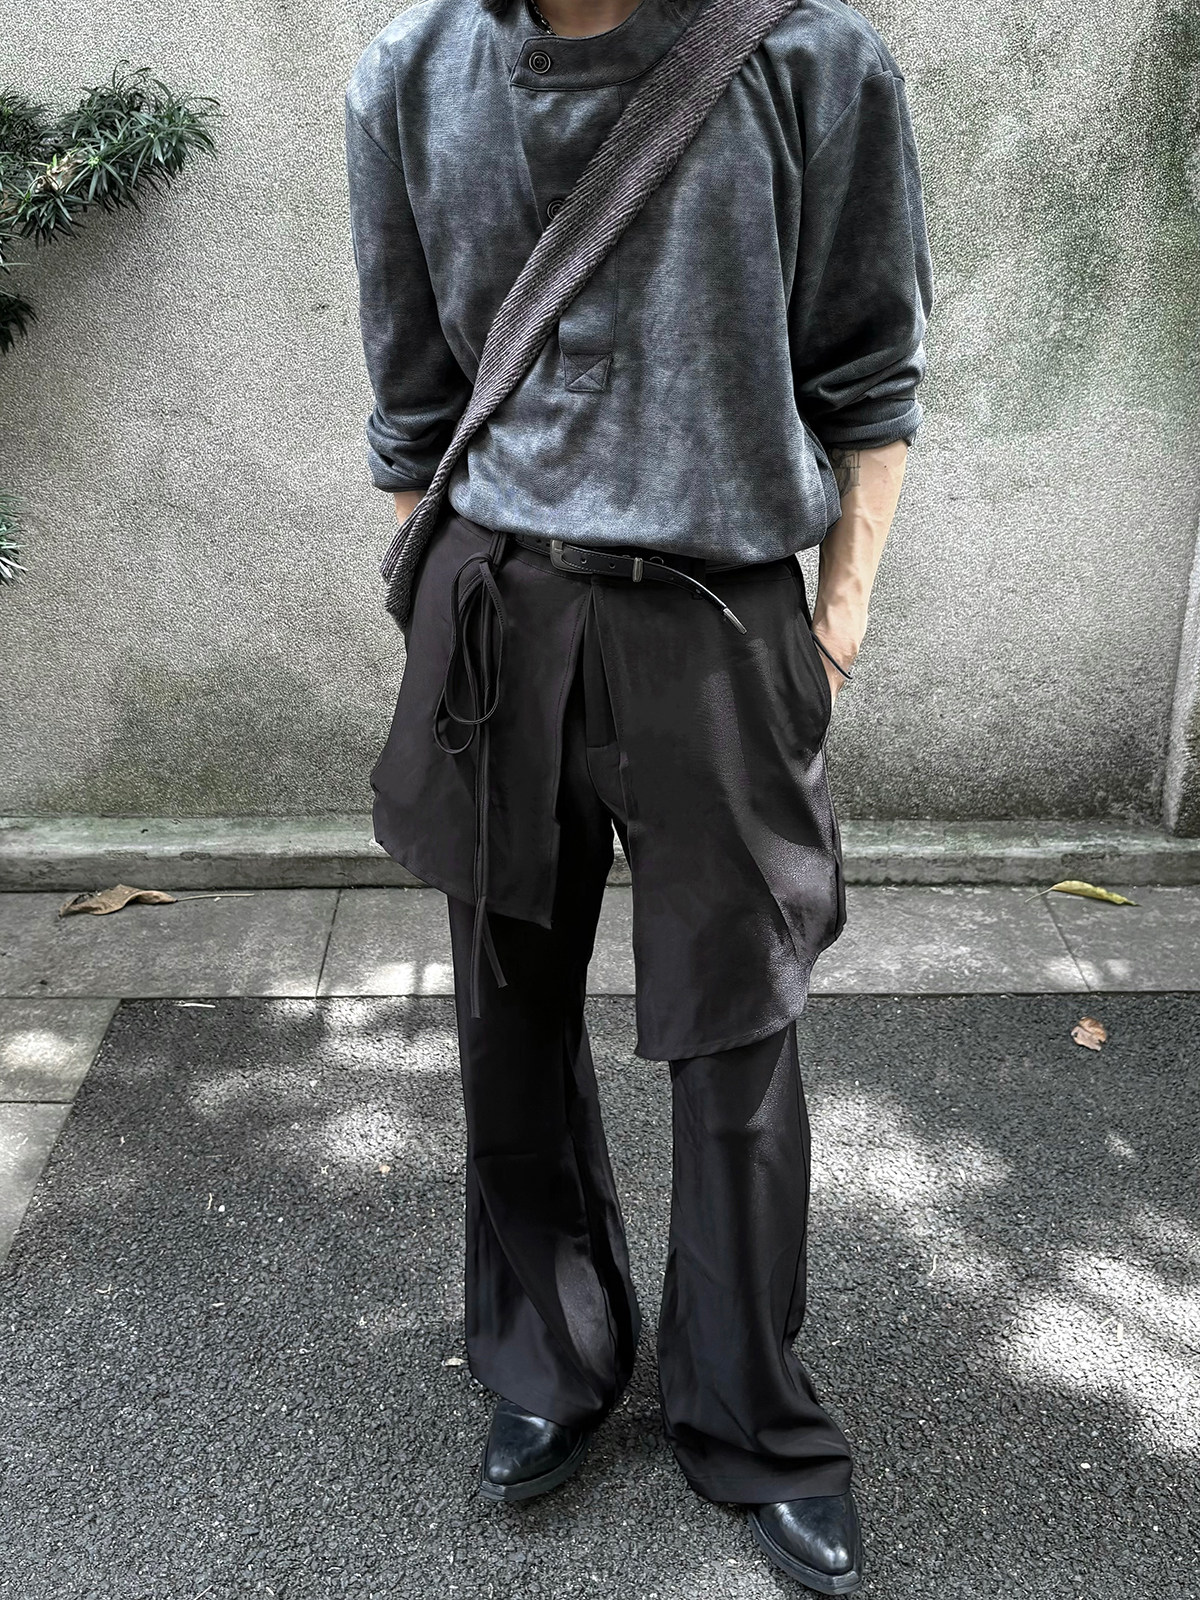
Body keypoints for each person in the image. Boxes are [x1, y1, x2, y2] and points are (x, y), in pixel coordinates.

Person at [344, 0, 933, 1588]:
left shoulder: (811, 62)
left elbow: (871, 366)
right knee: (506, 1013)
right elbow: (412, 398)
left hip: (718, 614)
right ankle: (547, 1360)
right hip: (498, 610)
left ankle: (747, 1412)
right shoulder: (409, 73)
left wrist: (836, 619)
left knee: (738, 1025)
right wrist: (438, 599)